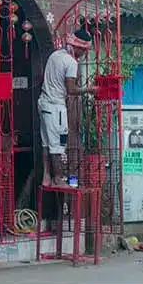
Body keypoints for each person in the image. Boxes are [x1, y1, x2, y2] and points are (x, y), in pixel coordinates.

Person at [38, 27, 96, 188]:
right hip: (56, 106)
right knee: (57, 143)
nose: (83, 54)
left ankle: (47, 177)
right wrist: (89, 89)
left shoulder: (55, 55)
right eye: (83, 50)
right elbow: (71, 89)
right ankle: (58, 178)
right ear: (77, 47)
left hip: (44, 103)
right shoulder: (70, 62)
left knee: (46, 143)